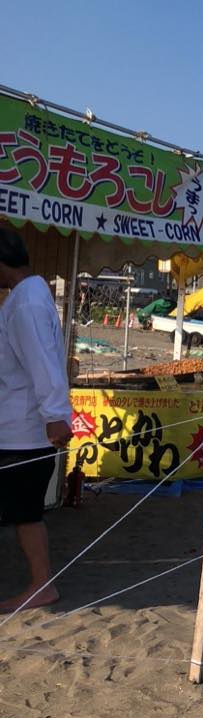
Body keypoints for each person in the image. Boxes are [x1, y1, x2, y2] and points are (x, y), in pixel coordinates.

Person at [0, 228, 73, 613]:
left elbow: (44, 364)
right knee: (20, 509)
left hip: (24, 431)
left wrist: (56, 416)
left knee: (25, 512)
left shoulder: (27, 302)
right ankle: (41, 582)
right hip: (16, 427)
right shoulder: (27, 295)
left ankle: (42, 584)